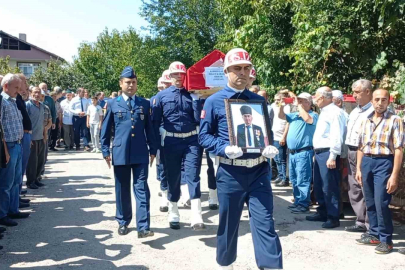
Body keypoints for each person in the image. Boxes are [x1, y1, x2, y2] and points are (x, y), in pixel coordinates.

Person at [199, 48, 282, 270]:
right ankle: (225, 264)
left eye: (246, 68)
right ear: (226, 71)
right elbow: (204, 136)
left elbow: (267, 134)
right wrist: (223, 148)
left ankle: (271, 266)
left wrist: (269, 147)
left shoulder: (258, 101)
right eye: (237, 68)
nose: (242, 73)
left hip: (258, 172)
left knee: (265, 223)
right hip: (230, 172)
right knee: (228, 225)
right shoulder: (214, 101)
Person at [101, 66, 157, 238]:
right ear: (121, 83)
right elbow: (105, 129)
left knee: (141, 188)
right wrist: (105, 151)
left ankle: (143, 227)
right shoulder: (112, 103)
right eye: (127, 82)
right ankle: (123, 221)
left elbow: (150, 129)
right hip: (120, 153)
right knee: (122, 188)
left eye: (133, 82)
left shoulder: (144, 103)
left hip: (140, 152)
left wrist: (153, 149)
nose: (131, 85)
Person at [152, 61, 205, 231]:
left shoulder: (192, 95)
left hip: (191, 140)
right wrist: (155, 145)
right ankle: (173, 210)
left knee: (193, 175)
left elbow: (199, 120)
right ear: (170, 76)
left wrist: (197, 101)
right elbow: (155, 121)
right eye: (175, 74)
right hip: (171, 141)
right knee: (173, 176)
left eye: (181, 75)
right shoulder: (161, 96)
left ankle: (197, 214)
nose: (178, 78)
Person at [355, 89, 404, 254]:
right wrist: (359, 169)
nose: (380, 103)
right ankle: (374, 233)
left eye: (383, 100)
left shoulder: (395, 120)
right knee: (369, 201)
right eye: (377, 99)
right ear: (372, 100)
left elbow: (398, 149)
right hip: (367, 161)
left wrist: (394, 175)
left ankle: (386, 240)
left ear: (388, 101)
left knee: (381, 201)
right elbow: (361, 146)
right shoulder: (365, 119)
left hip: (384, 162)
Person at [306, 86, 346, 229]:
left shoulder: (335, 112)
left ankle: (333, 216)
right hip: (320, 152)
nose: (314, 99)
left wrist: (333, 156)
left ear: (322, 97)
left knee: (329, 185)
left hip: (328, 152)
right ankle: (322, 211)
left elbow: (336, 135)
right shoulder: (324, 112)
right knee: (319, 184)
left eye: (315, 96)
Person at [278, 92, 318, 213]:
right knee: (294, 179)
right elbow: (281, 116)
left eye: (302, 101)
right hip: (293, 152)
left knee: (303, 178)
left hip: (304, 151)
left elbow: (308, 120)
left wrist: (298, 106)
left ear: (309, 102)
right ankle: (298, 200)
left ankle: (304, 203)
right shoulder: (295, 115)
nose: (299, 103)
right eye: (298, 101)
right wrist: (281, 105)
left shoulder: (313, 115)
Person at [344, 80, 374, 233]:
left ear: (368, 92)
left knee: (366, 187)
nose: (354, 95)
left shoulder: (374, 111)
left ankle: (371, 225)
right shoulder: (355, 111)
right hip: (351, 151)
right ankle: (360, 221)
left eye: (357, 92)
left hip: (364, 152)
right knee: (354, 188)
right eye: (353, 92)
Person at [0, 74, 29, 227]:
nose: (18, 91)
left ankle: (13, 209)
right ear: (6, 86)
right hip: (9, 146)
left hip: (17, 144)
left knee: (16, 180)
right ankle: (3, 214)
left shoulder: (12, 101)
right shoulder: (2, 102)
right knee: (6, 182)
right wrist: (4, 149)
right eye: (16, 88)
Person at [150, 77, 169, 212]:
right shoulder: (154, 99)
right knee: (161, 164)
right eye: (161, 86)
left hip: (174, 136)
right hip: (160, 135)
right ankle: (163, 189)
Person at [25, 87, 46, 190]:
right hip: (31, 138)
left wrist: (44, 135)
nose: (37, 94)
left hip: (40, 137)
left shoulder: (42, 106)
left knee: (40, 160)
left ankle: (37, 179)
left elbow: (43, 121)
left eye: (38, 92)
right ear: (31, 93)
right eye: (35, 92)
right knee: (32, 161)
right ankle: (30, 181)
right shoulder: (27, 105)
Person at [15, 74, 32, 204]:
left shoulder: (19, 97)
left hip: (25, 135)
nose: (25, 84)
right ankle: (15, 199)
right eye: (24, 81)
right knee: (17, 170)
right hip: (19, 136)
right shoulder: (12, 99)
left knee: (20, 168)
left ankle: (17, 196)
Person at [271, 93, 290, 186]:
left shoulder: (287, 108)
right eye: (275, 99)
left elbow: (288, 123)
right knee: (276, 158)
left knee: (282, 159)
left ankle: (284, 179)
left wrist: (284, 136)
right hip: (274, 135)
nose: (276, 101)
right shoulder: (273, 106)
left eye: (279, 99)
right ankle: (280, 175)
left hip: (281, 136)